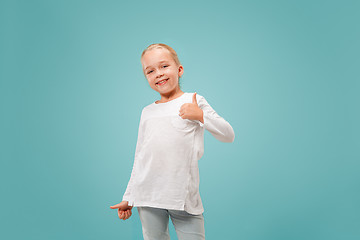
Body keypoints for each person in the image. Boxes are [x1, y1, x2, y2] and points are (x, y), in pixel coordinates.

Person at [110, 43, 235, 240]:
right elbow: (141, 157)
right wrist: (129, 197)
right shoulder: (147, 112)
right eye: (150, 71)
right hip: (148, 197)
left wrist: (201, 115)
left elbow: (228, 135)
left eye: (164, 66)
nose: (158, 73)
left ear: (179, 70)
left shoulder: (194, 100)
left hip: (183, 197)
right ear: (146, 77)